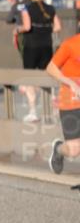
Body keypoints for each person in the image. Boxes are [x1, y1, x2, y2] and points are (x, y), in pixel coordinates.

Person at [19, 0, 61, 123]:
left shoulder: (27, 8)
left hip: (31, 47)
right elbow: (58, 27)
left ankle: (33, 112)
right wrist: (46, 30)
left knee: (29, 79)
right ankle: (52, 109)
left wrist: (17, 30)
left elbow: (27, 27)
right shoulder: (51, 9)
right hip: (46, 46)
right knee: (47, 77)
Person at [46, 33, 80, 175]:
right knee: (74, 150)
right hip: (70, 101)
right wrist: (71, 83)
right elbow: (50, 68)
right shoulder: (70, 44)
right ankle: (58, 149)